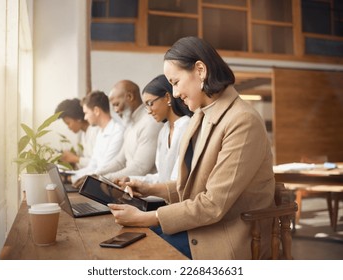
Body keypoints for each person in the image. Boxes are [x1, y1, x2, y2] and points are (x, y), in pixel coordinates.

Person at [107, 36, 275, 260]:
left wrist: (148, 217)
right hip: (203, 226)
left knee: (135, 252)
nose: (175, 93)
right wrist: (147, 188)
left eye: (175, 82)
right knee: (123, 242)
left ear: (200, 70)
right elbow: (194, 188)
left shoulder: (243, 120)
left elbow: (213, 204)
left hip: (227, 236)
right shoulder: (201, 116)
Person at [74, 80, 163, 187]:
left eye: (116, 104)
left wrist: (102, 179)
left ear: (130, 97)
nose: (116, 111)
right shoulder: (130, 124)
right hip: (130, 189)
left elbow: (140, 167)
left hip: (147, 193)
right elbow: (120, 161)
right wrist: (95, 175)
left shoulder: (150, 122)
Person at [117, 74, 192, 185]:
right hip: (164, 196)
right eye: (146, 106)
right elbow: (162, 177)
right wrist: (131, 180)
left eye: (150, 104)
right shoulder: (164, 131)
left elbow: (177, 182)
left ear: (167, 98)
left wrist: (148, 189)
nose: (149, 111)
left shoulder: (186, 126)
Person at [69, 90, 125, 184]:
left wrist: (74, 179)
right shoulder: (100, 132)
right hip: (97, 180)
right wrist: (71, 177)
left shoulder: (118, 132)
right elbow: (92, 166)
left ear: (96, 111)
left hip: (109, 184)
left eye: (86, 113)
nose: (85, 118)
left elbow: (105, 168)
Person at [55, 98, 98, 169]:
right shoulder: (84, 134)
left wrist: (74, 158)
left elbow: (99, 164)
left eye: (68, 123)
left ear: (78, 118)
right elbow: (87, 165)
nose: (68, 127)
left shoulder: (95, 131)